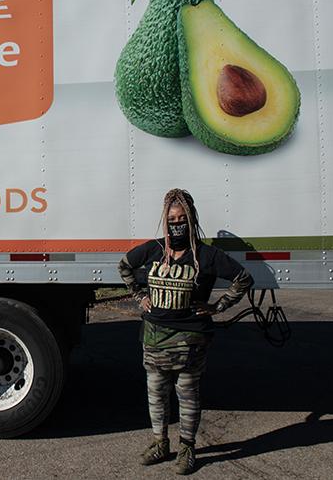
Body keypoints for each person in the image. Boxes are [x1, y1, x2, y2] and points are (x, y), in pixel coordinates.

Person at [118, 188, 253, 475]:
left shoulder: (207, 255)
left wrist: (218, 306)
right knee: (156, 392)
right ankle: (160, 443)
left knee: (187, 394)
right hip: (154, 337)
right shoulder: (153, 249)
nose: (176, 223)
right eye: (171, 218)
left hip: (191, 339)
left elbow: (243, 278)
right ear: (164, 221)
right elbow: (125, 266)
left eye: (182, 218)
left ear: (192, 219)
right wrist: (139, 296)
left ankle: (188, 447)